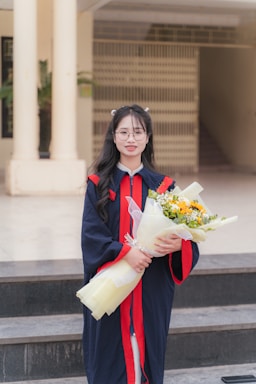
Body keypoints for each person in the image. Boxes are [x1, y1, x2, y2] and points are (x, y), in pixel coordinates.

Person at [81, 104, 199, 384]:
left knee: (146, 351)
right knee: (110, 355)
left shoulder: (164, 187)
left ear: (147, 138)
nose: (130, 138)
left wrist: (178, 245)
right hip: (112, 284)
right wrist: (125, 254)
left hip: (151, 287)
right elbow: (91, 235)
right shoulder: (98, 184)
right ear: (113, 137)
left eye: (137, 132)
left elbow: (188, 239)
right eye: (123, 132)